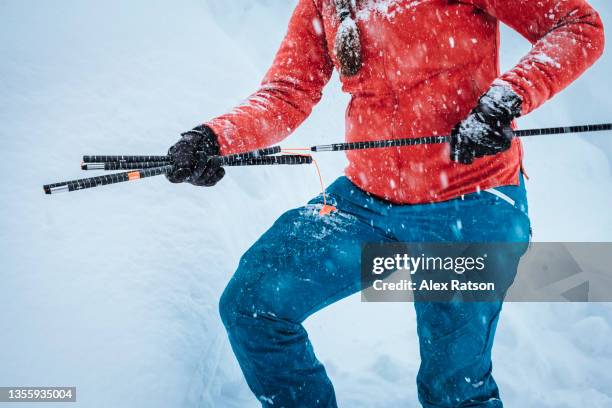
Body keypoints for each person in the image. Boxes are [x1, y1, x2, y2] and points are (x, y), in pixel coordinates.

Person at [166, 0, 604, 406]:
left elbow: (577, 25)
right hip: (364, 205)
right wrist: (216, 138)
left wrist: (506, 98)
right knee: (252, 303)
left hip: (469, 206)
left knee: (452, 387)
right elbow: (288, 90)